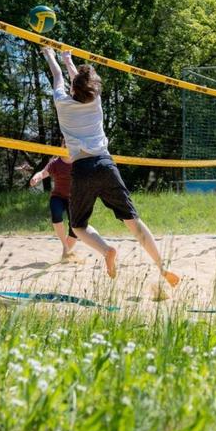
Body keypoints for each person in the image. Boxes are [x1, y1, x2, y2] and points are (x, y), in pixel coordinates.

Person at [41, 47, 179, 287]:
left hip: (82, 169)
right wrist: (68, 59)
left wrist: (50, 55)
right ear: (92, 88)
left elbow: (59, 78)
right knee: (133, 221)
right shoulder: (95, 101)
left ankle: (106, 251)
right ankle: (162, 266)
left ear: (74, 89)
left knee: (78, 226)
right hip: (106, 164)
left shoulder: (62, 103)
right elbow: (76, 82)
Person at [29, 143, 80, 262]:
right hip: (58, 196)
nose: (67, 147)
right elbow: (43, 172)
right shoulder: (55, 162)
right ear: (61, 147)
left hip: (74, 199)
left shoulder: (78, 161)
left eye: (70, 144)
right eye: (65, 144)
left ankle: (65, 254)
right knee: (56, 215)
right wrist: (36, 178)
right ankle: (65, 246)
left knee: (75, 229)